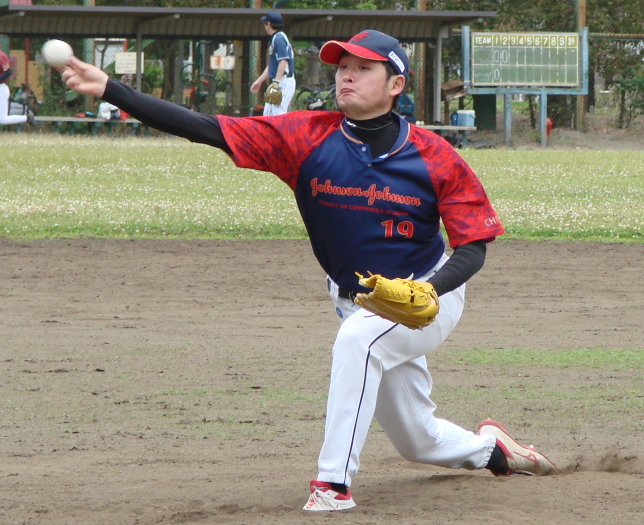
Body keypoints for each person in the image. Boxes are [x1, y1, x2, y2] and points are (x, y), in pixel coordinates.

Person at [60, 28, 557, 512]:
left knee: (358, 341)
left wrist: (431, 290)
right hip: (356, 301)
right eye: (343, 67)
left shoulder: (434, 155)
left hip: (430, 298)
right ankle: (494, 450)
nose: (347, 76)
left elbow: (472, 247)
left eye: (363, 68)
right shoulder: (305, 137)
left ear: (396, 84)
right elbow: (206, 128)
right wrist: (112, 90)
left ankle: (332, 485)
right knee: (418, 440)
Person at [0, 36, 36, 134]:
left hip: (0, 89)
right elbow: (0, 72)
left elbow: (8, 72)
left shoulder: (0, 56)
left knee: (3, 119)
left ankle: (27, 118)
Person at [249, 11, 296, 115]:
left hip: (284, 81)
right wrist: (259, 81)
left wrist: (276, 82)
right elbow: (273, 65)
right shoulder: (276, 37)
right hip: (279, 80)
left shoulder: (279, 38)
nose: (264, 26)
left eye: (265, 23)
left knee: (278, 114)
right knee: (268, 114)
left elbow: (283, 61)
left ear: (268, 24)